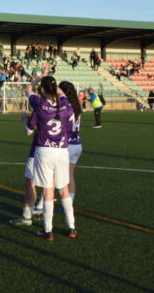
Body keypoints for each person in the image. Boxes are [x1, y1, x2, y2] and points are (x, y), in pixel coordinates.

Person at [25, 76, 76, 240]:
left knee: (48, 191)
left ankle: (48, 230)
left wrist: (37, 80)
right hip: (62, 151)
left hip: (44, 151)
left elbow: (28, 90)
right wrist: (54, 85)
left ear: (43, 89)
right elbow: (61, 94)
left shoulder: (40, 104)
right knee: (64, 190)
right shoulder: (65, 104)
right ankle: (72, 227)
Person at [59, 81, 82, 213]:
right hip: (77, 143)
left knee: (56, 177)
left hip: (66, 145)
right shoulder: (77, 106)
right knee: (70, 175)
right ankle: (69, 204)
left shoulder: (63, 105)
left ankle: (41, 205)